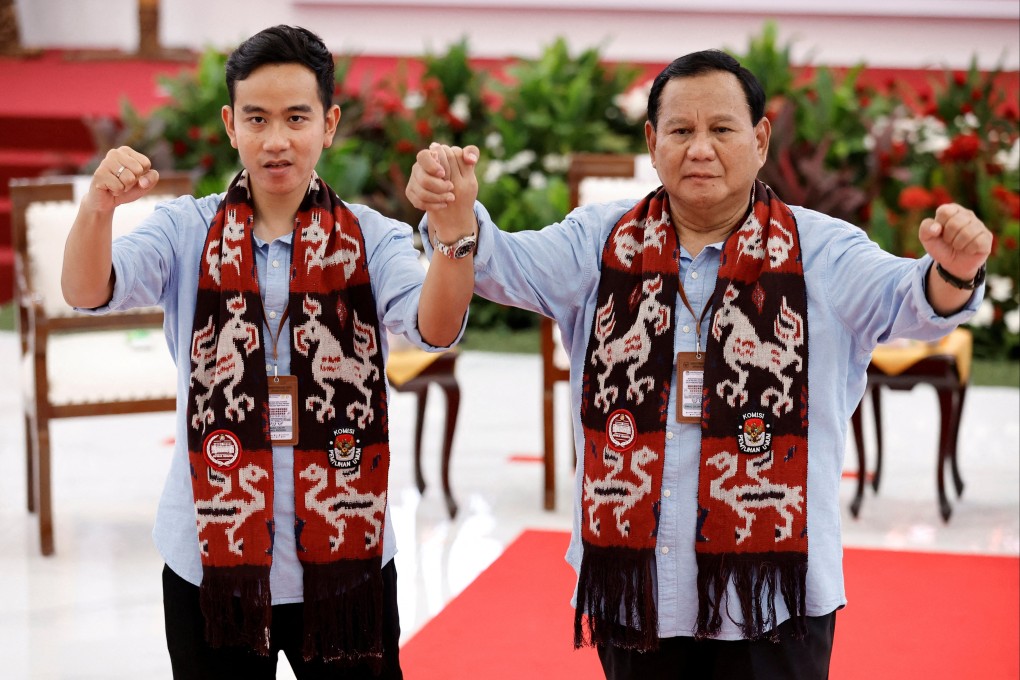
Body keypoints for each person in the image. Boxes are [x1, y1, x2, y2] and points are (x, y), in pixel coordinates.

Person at [405, 49, 991, 679]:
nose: (700, 148)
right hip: (638, 594)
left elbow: (911, 300)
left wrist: (953, 272)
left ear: (760, 140)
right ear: (653, 142)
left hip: (774, 603)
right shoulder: (599, 243)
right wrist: (455, 216)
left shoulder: (821, 250)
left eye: (722, 129)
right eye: (681, 131)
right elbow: (501, 263)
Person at [61, 25, 475, 680]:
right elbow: (88, 291)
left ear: (329, 123)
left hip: (345, 562)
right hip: (209, 564)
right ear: (230, 124)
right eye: (257, 118)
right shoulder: (185, 230)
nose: (275, 140)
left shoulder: (373, 237)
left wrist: (454, 241)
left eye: (295, 118)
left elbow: (435, 328)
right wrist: (99, 206)